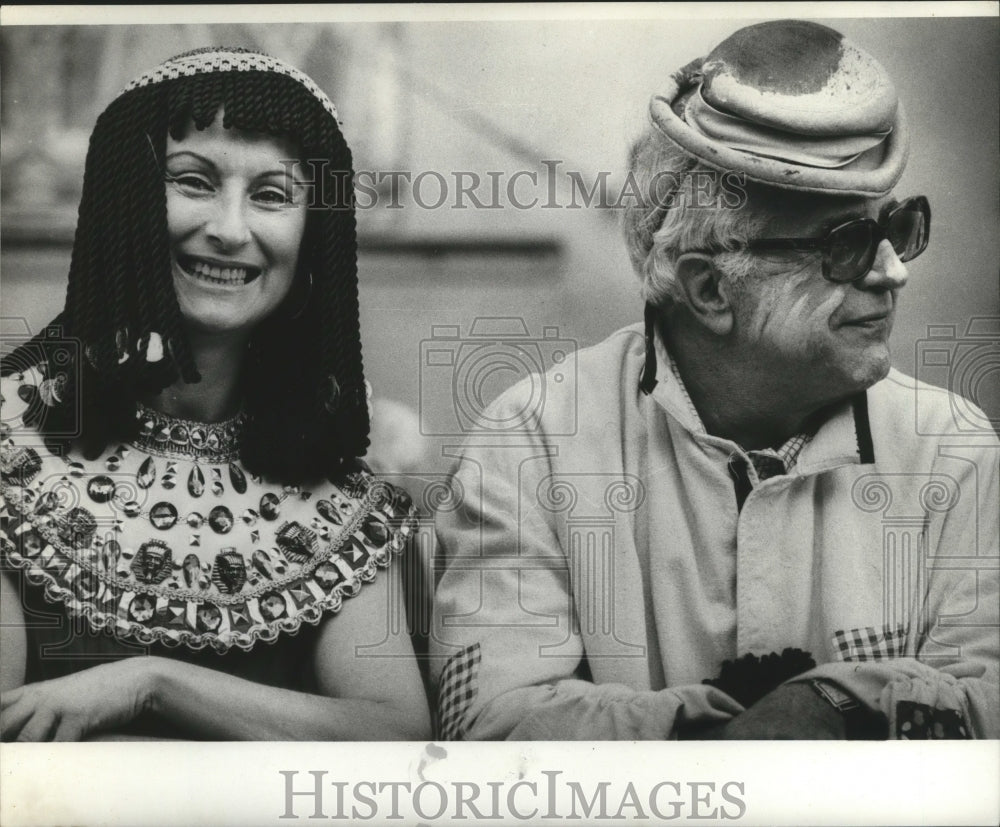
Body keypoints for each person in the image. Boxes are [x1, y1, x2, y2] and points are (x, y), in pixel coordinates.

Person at [429, 20, 999, 740]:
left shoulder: (953, 448)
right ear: (709, 290)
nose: (893, 270)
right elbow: (491, 726)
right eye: (846, 243)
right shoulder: (532, 442)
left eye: (898, 226)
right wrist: (732, 741)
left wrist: (833, 705)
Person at [0, 47, 431, 741]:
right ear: (124, 203)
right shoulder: (7, 444)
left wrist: (153, 683)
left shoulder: (341, 491)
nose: (231, 231)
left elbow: (394, 734)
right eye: (194, 182)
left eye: (271, 194)